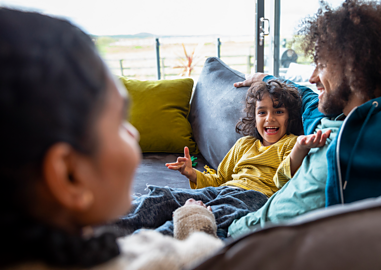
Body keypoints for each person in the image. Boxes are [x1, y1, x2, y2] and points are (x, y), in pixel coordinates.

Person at [228, 0, 381, 238]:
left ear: (351, 65)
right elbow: (304, 95)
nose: (314, 77)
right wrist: (268, 79)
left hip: (257, 246)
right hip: (238, 222)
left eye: (321, 64)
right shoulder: (324, 121)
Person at [0, 8, 223, 270]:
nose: (134, 133)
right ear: (69, 175)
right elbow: (214, 260)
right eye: (120, 122)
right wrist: (196, 222)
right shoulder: (161, 260)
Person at [113, 79, 330, 239]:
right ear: (254, 117)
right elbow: (219, 179)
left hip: (253, 198)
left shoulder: (291, 143)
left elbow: (285, 181)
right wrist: (192, 173)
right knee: (161, 198)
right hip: (222, 191)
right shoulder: (244, 145)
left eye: (278, 111)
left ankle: (141, 248)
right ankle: (107, 230)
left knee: (197, 219)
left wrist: (300, 149)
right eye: (262, 112)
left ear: (289, 117)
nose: (270, 119)